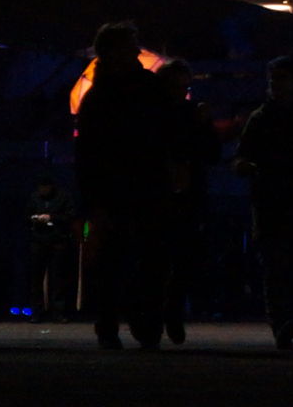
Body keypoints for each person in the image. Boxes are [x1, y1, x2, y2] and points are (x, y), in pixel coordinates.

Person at [76, 22, 178, 350]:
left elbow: (86, 152)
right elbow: (169, 132)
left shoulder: (98, 96)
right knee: (147, 258)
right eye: (131, 45)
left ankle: (111, 324)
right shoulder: (149, 88)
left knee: (115, 259)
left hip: (117, 187)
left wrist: (90, 199)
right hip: (145, 185)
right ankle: (144, 322)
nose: (136, 50)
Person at [233, 56, 293, 351]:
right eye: (274, 78)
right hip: (271, 199)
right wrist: (244, 166)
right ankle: (281, 320)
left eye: (282, 78)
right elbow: (242, 154)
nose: (276, 84)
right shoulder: (262, 118)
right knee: (276, 264)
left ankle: (284, 317)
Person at [155, 59, 220, 345]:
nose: (181, 92)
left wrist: (205, 126)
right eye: (176, 86)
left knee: (181, 258)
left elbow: (212, 153)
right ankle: (165, 312)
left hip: (184, 195)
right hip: (164, 195)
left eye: (184, 87)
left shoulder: (188, 114)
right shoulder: (159, 116)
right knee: (164, 258)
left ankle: (168, 310)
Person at [25, 175, 77, 322]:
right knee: (36, 279)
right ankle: (37, 312)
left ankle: (58, 312)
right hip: (38, 241)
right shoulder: (34, 197)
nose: (43, 190)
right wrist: (35, 219)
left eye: (45, 187)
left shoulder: (63, 198)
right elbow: (26, 215)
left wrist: (52, 217)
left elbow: (70, 216)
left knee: (58, 279)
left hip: (57, 242)